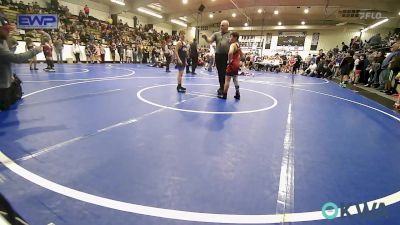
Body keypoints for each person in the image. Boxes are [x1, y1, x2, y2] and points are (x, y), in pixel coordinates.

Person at [0, 16, 42, 110]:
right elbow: (17, 58)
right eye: (6, 30)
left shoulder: (3, 41)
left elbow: (6, 61)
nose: (8, 32)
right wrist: (35, 50)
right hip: (2, 86)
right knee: (4, 109)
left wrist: (10, 75)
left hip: (4, 81)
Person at [202, 20, 231, 97]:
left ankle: (224, 88)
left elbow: (235, 43)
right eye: (221, 25)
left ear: (227, 26)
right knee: (220, 72)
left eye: (223, 25)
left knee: (225, 73)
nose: (221, 27)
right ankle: (221, 87)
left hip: (227, 56)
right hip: (218, 55)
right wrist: (205, 38)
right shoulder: (216, 34)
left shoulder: (231, 34)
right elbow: (210, 40)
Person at [220, 32, 242, 100]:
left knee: (227, 80)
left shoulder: (232, 45)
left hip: (232, 64)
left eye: (231, 37)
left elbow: (230, 53)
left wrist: (230, 61)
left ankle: (224, 95)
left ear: (235, 38)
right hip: (236, 64)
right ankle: (237, 94)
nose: (230, 38)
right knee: (235, 79)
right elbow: (242, 54)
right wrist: (238, 60)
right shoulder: (238, 45)